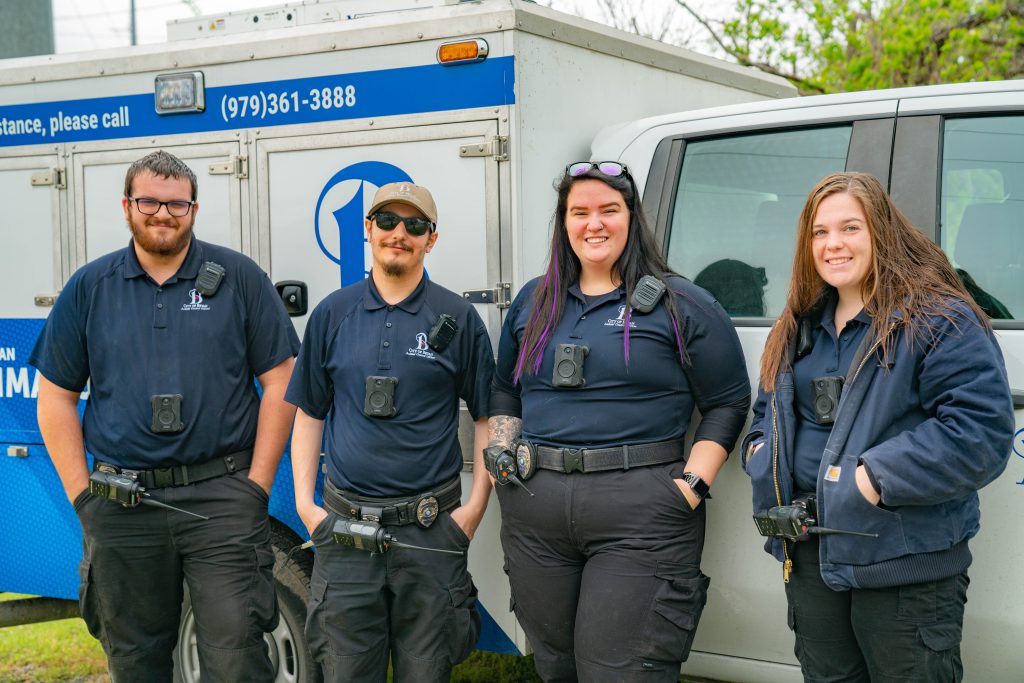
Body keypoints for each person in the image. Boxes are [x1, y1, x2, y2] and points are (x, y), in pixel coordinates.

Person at [29, 150, 300, 682]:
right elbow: (55, 396)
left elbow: (282, 381)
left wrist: (257, 488)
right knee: (135, 663)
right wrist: (84, 498)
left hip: (222, 502)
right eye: (148, 201)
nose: (162, 214)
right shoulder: (91, 287)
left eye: (176, 204)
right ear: (126, 206)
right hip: (122, 506)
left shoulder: (240, 279)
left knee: (236, 659)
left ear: (194, 209)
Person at [741, 172, 1014, 682]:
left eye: (850, 228)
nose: (833, 244)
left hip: (901, 563)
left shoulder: (938, 319)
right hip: (809, 553)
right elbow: (766, 413)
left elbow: (980, 434)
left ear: (882, 233)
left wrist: (871, 478)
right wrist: (761, 454)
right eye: (819, 233)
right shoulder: (798, 324)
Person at [487, 161, 751, 682]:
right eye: (579, 212)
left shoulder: (682, 304)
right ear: (564, 223)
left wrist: (693, 484)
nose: (594, 224)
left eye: (609, 210)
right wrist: (501, 456)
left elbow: (728, 401)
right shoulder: (533, 301)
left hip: (641, 516)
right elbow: (505, 388)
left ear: (632, 217)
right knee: (555, 667)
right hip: (535, 514)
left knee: (622, 672)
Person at [286, 182, 494, 682]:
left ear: (431, 239)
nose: (399, 233)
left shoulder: (459, 319)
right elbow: (309, 413)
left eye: (414, 225)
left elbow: (488, 416)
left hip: (430, 535)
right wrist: (304, 505)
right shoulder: (333, 314)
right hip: (344, 537)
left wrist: (474, 509)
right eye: (387, 222)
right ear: (367, 229)